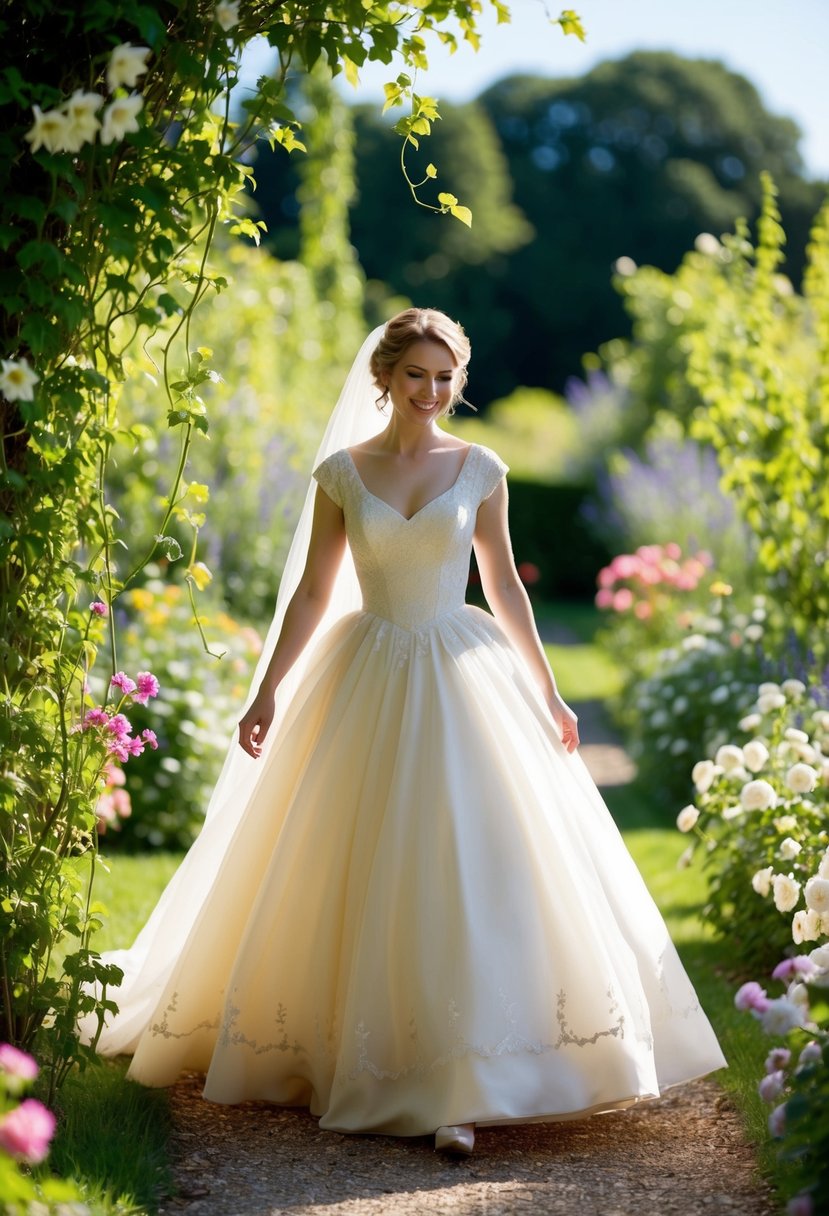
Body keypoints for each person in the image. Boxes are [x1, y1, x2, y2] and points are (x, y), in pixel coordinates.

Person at [84, 308, 725, 1156]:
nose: (430, 391)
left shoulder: (481, 467)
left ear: (457, 382)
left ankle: (463, 1082)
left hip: (463, 671)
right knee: (359, 863)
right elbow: (315, 592)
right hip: (368, 672)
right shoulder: (342, 474)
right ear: (383, 378)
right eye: (416, 374)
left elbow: (502, 583)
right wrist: (268, 691)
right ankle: (368, 1060)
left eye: (444, 376)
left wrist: (550, 691)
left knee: (472, 862)